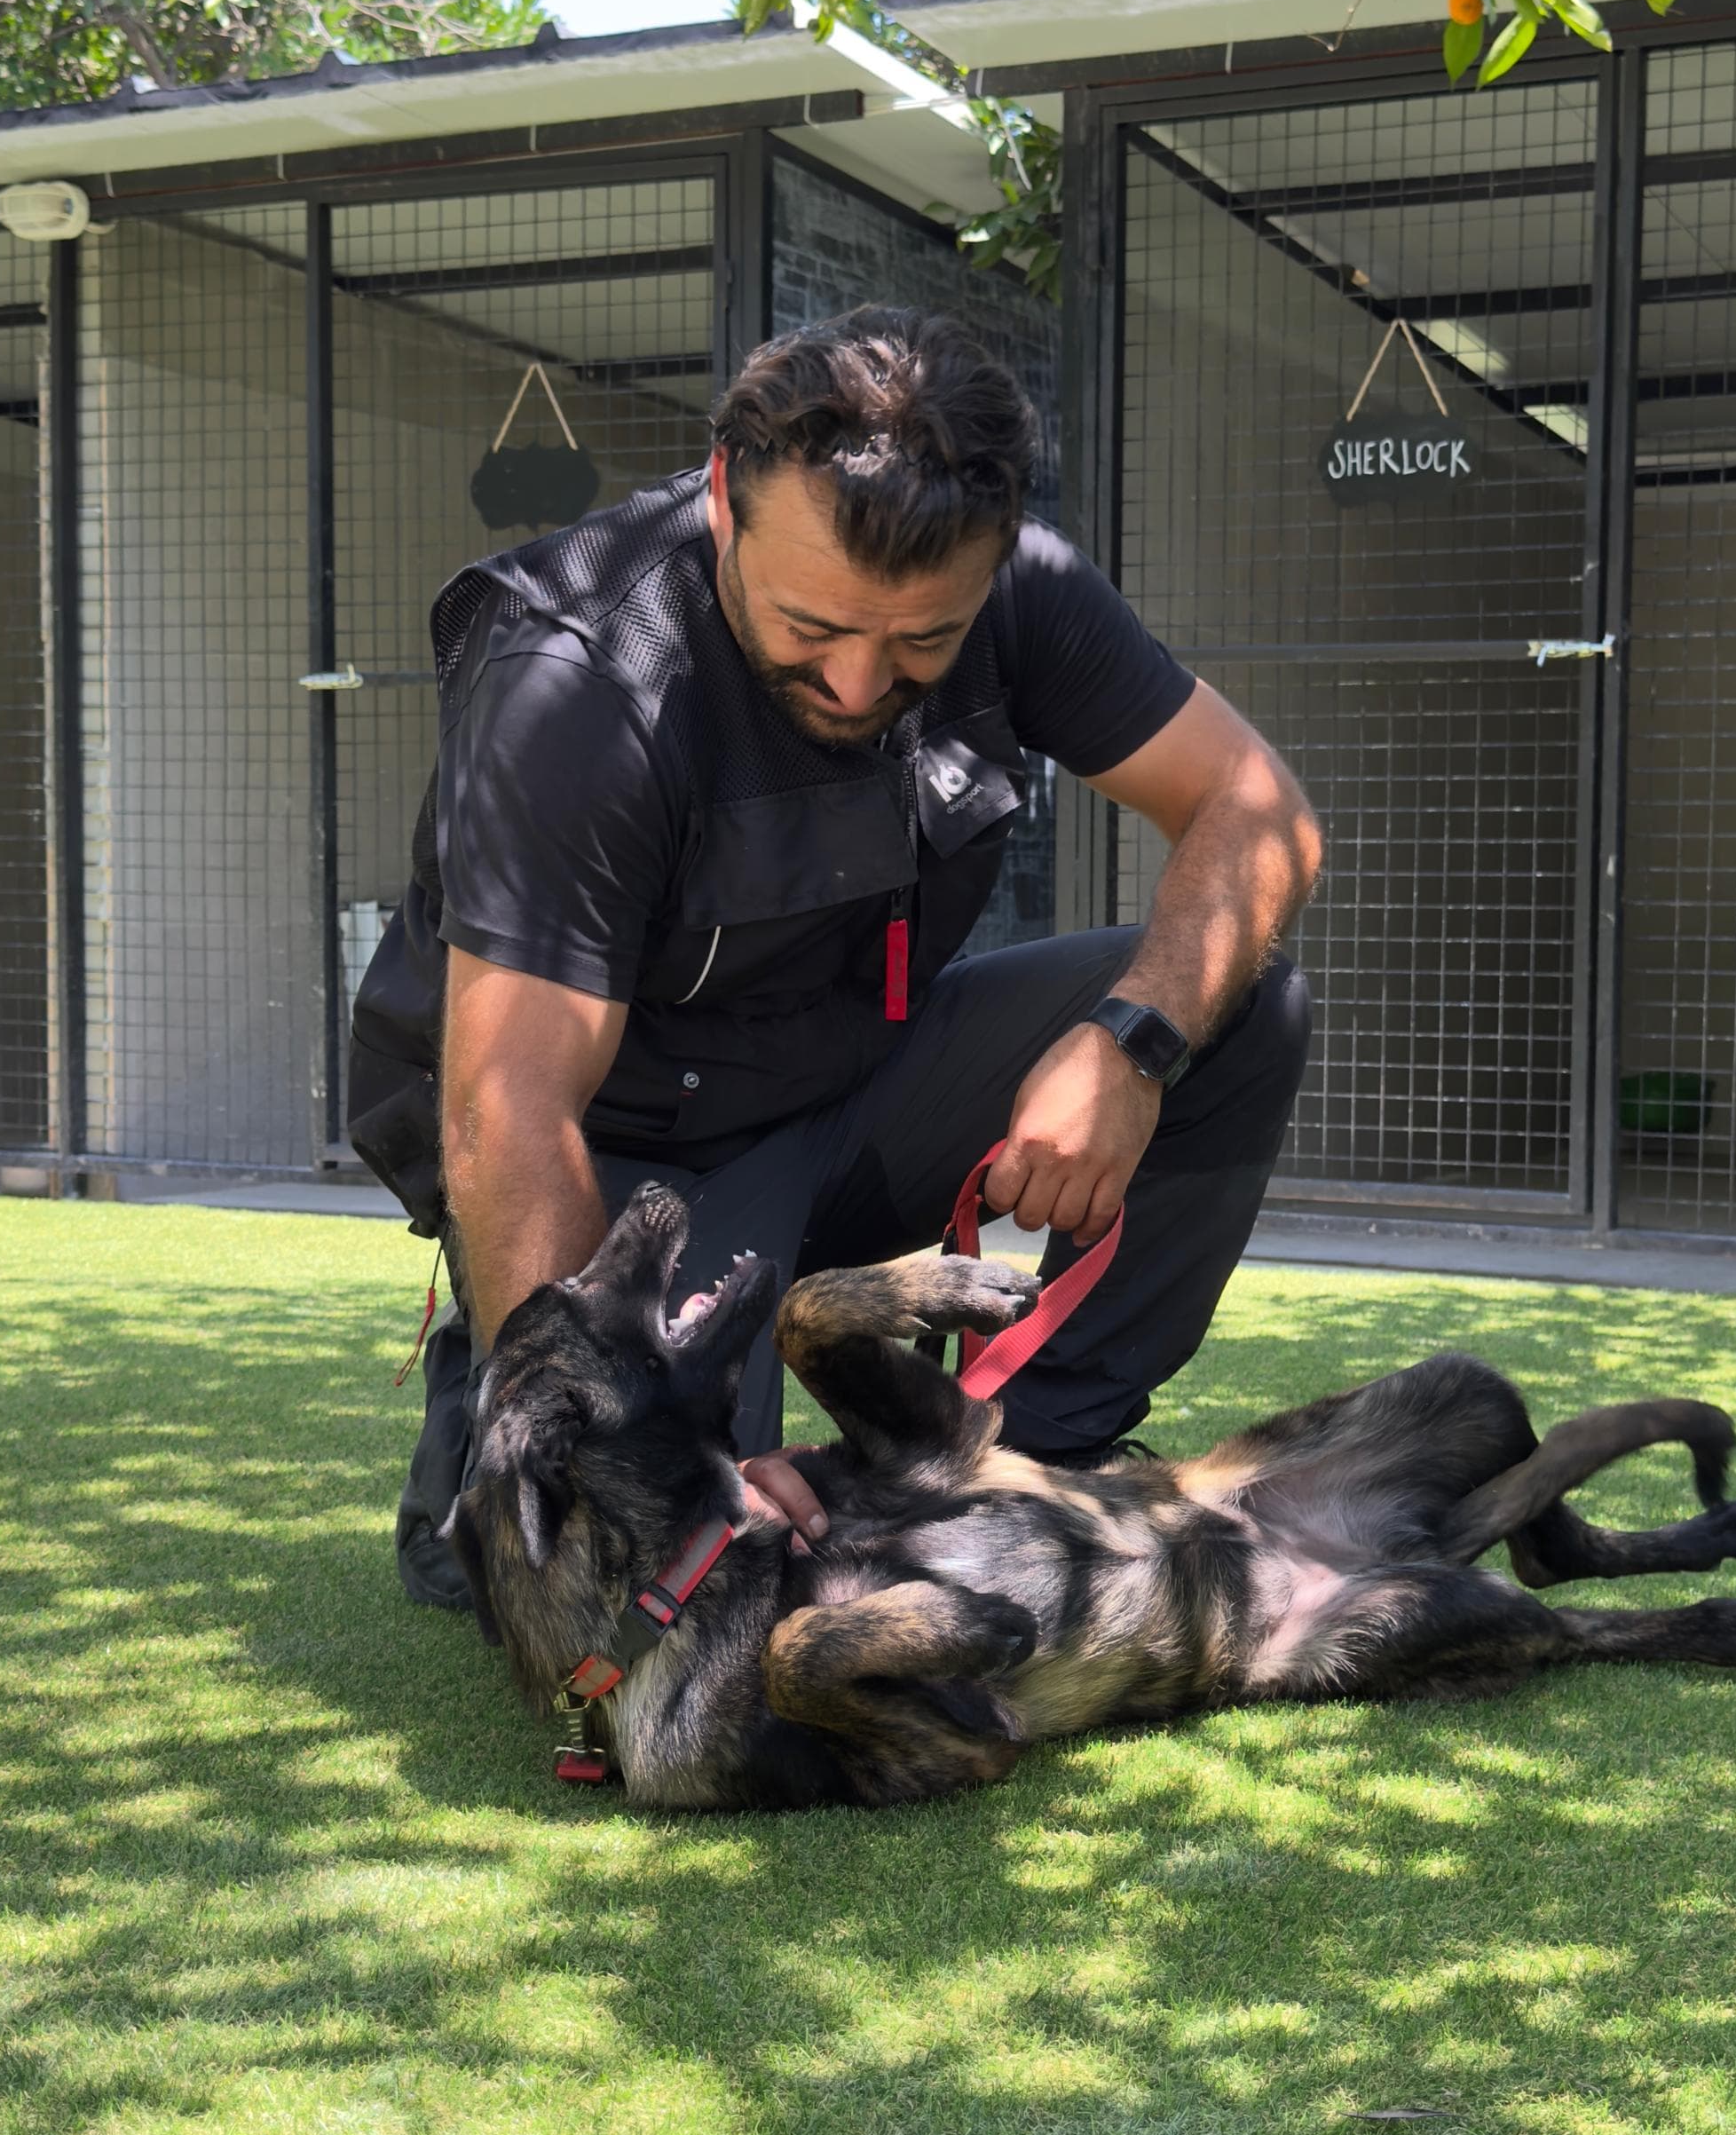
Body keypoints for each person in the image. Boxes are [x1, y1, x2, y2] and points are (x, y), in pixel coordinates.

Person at [349, 309, 1322, 1608]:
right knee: (674, 1562)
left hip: (851, 1093)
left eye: (922, 642)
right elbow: (510, 1109)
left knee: (1240, 1007)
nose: (862, 685)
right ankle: (499, 1429)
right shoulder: (578, 681)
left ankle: (1026, 1457)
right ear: (725, 501)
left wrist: (1131, 1045)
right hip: (636, 1166)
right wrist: (625, 1447)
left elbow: (1259, 813)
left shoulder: (1026, 588)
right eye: (814, 628)